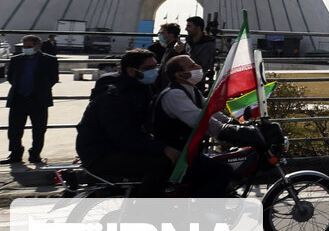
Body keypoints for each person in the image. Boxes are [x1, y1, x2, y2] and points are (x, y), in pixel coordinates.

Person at [75, 49, 179, 196]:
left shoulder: (142, 88)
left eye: (155, 67)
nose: (154, 72)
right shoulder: (114, 96)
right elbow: (125, 137)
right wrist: (163, 148)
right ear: (131, 71)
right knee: (160, 164)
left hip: (117, 146)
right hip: (100, 153)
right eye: (148, 68)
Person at [152, 55, 252, 197]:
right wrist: (229, 132)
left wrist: (236, 124)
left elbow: (211, 112)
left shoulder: (193, 91)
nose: (198, 67)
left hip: (188, 152)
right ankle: (205, 209)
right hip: (176, 156)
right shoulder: (174, 94)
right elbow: (201, 120)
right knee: (222, 170)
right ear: (179, 75)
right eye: (192, 66)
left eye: (195, 64)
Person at [4, 35, 60, 165]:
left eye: (29, 46)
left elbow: (53, 78)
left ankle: (35, 154)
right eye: (24, 46)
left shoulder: (49, 60)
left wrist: (40, 90)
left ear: (38, 46)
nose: (25, 49)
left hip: (38, 100)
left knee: (39, 129)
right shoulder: (16, 59)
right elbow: (11, 77)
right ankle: (15, 154)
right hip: (18, 98)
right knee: (14, 129)